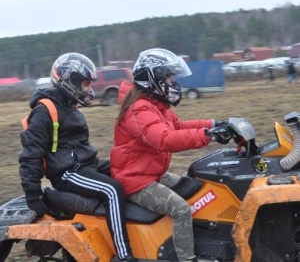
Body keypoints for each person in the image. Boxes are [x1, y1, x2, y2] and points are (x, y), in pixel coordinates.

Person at [110, 48, 231, 262]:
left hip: (152, 173)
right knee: (181, 208)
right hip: (135, 180)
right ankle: (187, 258)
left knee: (197, 187)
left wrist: (215, 124)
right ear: (152, 77)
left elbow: (179, 126)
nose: (172, 81)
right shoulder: (138, 108)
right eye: (168, 76)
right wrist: (207, 136)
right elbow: (164, 139)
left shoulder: (156, 104)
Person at [19, 52, 137, 262]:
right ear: (67, 81)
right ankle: (124, 254)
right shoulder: (45, 110)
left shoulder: (69, 106)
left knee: (131, 172)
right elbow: (31, 154)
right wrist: (32, 195)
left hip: (86, 165)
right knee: (112, 190)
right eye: (85, 84)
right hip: (67, 172)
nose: (89, 90)